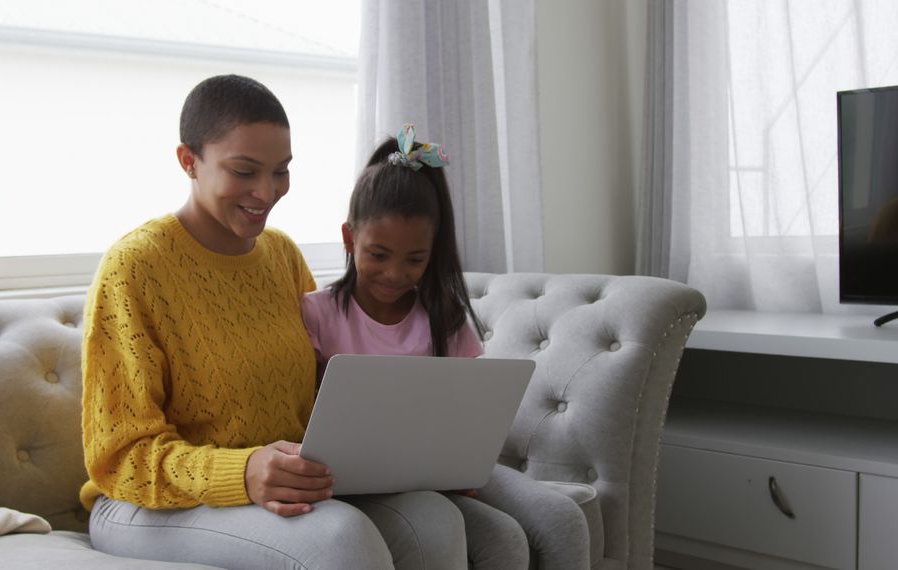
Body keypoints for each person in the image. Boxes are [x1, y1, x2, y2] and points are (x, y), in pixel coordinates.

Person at [79, 75, 468, 570]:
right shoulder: (135, 267)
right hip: (139, 504)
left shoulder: (281, 255)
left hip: (278, 482)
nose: (266, 192)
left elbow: (323, 391)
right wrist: (242, 471)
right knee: (338, 539)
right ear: (188, 161)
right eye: (244, 172)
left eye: (281, 171)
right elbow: (121, 457)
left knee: (435, 521)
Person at [301, 124, 591, 569]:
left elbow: (473, 414)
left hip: (442, 473)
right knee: (501, 538)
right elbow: (304, 419)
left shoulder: (444, 317)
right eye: (378, 254)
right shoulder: (318, 314)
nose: (395, 273)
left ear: (432, 254)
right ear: (348, 238)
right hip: (362, 484)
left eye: (414, 260)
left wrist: (461, 464)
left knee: (562, 519)